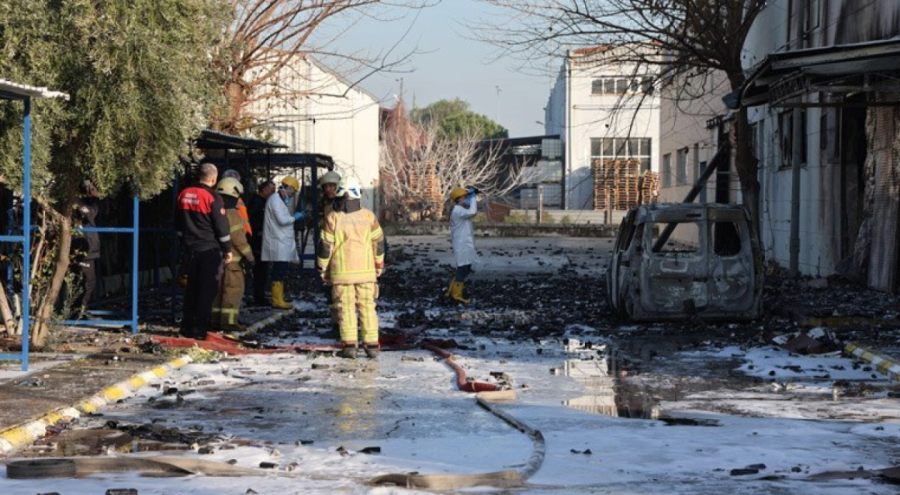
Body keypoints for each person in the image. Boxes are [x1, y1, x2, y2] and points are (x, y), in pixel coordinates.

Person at [317, 178, 385, 359]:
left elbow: (325, 246)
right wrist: (379, 265)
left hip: (342, 274)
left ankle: (349, 346)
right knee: (368, 307)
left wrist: (322, 268)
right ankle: (371, 345)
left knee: (345, 308)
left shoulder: (333, 217)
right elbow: (378, 243)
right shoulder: (369, 216)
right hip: (366, 272)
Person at [176, 163, 233, 340]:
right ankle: (199, 330)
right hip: (209, 250)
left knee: (191, 289)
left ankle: (186, 327)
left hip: (190, 250)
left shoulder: (184, 194)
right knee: (206, 291)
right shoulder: (212, 197)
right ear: (214, 179)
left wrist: (184, 241)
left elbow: (178, 223)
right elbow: (221, 226)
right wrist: (228, 249)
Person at [210, 177, 255, 332]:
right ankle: (229, 323)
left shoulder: (215, 210)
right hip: (233, 263)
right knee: (232, 291)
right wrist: (250, 257)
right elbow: (239, 239)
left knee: (217, 291)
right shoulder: (232, 213)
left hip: (217, 259)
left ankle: (215, 320)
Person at [262, 176, 304, 309]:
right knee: (279, 270)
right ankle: (276, 299)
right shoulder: (275, 200)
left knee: (281, 269)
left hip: (280, 241)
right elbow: (282, 220)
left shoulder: (278, 200)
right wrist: (295, 217)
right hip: (278, 242)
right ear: (288, 189)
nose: (292, 195)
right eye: (292, 192)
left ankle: (279, 297)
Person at [317, 170, 342, 335]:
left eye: (332, 186)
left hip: (339, 252)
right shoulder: (325, 204)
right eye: (326, 186)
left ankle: (342, 325)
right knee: (330, 291)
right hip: (328, 249)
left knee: (339, 291)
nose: (328, 189)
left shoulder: (342, 205)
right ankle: (336, 323)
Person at [71, 180, 101, 311]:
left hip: (88, 248)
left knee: (88, 281)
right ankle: (78, 312)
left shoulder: (83, 202)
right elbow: (91, 214)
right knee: (85, 282)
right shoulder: (77, 202)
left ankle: (80, 310)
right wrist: (95, 198)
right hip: (82, 247)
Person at [447, 187, 479, 304]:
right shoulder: (458, 211)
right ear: (458, 199)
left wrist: (471, 196)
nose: (467, 199)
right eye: (465, 198)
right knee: (463, 268)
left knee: (466, 267)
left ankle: (451, 291)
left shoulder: (459, 210)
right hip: (461, 245)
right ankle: (456, 295)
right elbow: (473, 212)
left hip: (463, 244)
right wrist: (474, 197)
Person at [248, 180, 276, 306]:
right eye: (272, 190)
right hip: (258, 242)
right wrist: (258, 232)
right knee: (260, 270)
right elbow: (253, 221)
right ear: (264, 190)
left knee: (262, 270)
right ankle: (258, 297)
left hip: (262, 241)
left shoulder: (264, 203)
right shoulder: (257, 203)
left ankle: (260, 295)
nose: (273, 193)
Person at [221, 169, 252, 236]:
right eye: (237, 182)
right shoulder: (227, 200)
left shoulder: (237, 198)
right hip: (235, 238)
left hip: (242, 235)